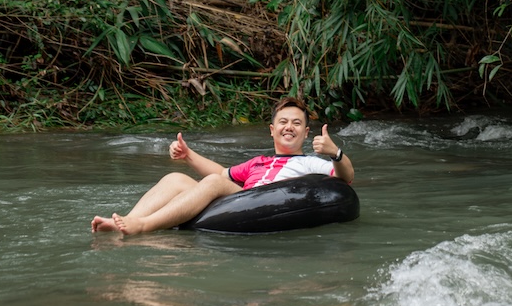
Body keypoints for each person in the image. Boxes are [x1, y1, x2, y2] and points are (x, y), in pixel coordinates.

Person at [91, 96, 354, 235]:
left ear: (306, 133)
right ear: (272, 130)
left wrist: (335, 153)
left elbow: (345, 178)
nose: (289, 127)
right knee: (175, 178)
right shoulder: (257, 162)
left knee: (215, 183)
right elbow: (220, 173)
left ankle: (144, 226)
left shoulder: (310, 163)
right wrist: (188, 155)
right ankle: (129, 220)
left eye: (296, 123)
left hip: (263, 203)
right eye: (283, 122)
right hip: (237, 203)